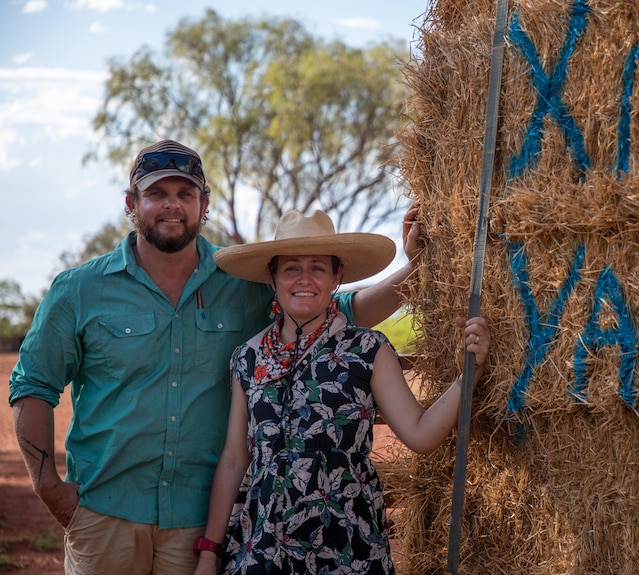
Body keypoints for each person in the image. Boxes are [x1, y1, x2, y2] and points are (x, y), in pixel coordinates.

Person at [9, 140, 422, 575]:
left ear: (204, 204)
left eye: (185, 194)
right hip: (105, 515)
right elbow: (33, 386)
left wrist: (416, 267)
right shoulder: (78, 290)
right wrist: (50, 489)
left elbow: (342, 310)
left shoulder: (241, 286)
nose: (172, 206)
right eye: (157, 194)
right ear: (132, 204)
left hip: (198, 520)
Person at [190, 209, 489, 575]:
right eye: (291, 268)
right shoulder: (247, 358)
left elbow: (422, 433)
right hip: (264, 544)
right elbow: (235, 459)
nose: (304, 279)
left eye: (317, 267)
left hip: (347, 543)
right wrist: (208, 553)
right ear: (272, 278)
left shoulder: (367, 350)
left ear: (337, 276)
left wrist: (468, 375)